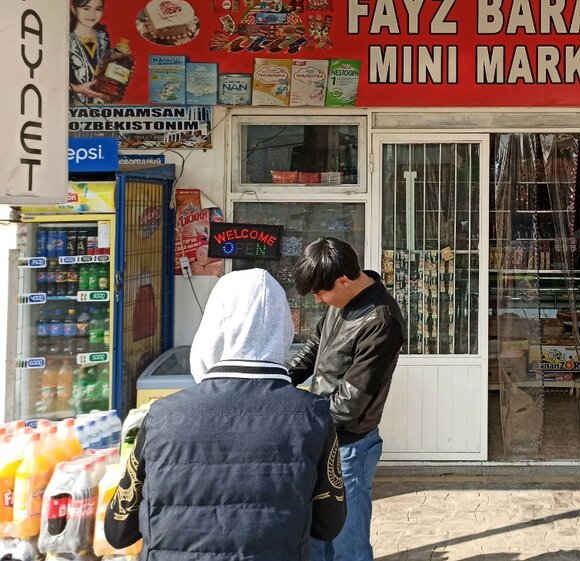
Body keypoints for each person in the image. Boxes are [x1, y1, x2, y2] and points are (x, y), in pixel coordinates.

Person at [104, 268, 346, 560]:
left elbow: (119, 529)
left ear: (213, 325)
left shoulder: (162, 416)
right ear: (283, 329)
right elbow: (328, 524)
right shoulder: (314, 416)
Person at [289, 238, 405, 561]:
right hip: (323, 434)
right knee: (318, 539)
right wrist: (283, 381)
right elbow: (315, 346)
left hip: (349, 447)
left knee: (347, 547)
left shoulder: (381, 322)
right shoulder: (341, 301)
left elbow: (350, 403)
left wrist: (299, 415)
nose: (318, 299)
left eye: (321, 292)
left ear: (343, 280)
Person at [69, 0, 115, 105]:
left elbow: (105, 70)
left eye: (98, 9)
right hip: (72, 106)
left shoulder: (103, 36)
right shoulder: (63, 38)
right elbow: (51, 76)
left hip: (101, 105)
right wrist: (79, 89)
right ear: (74, 9)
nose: (92, 15)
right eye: (86, 8)